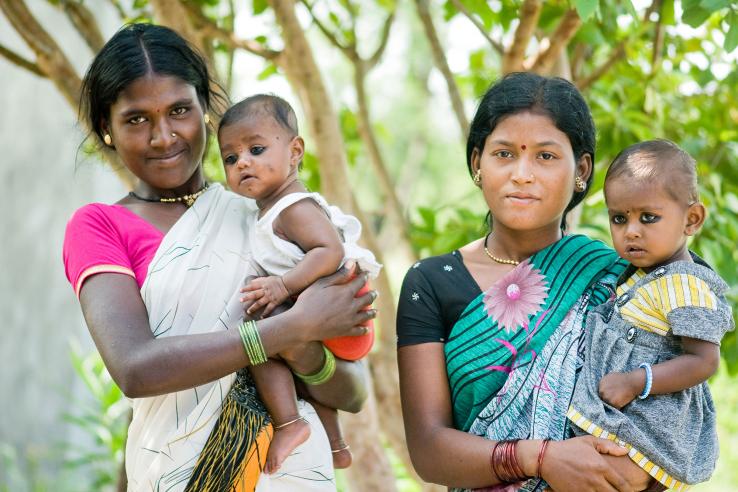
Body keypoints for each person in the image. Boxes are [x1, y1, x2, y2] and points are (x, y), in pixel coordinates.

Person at [62, 23, 374, 491]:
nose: (163, 137)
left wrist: (303, 346)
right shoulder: (99, 226)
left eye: (179, 110)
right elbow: (135, 369)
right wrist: (291, 328)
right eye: (136, 119)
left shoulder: (270, 217)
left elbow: (353, 391)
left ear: (205, 111)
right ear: (106, 128)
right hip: (175, 469)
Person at [397, 72, 661, 491]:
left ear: (582, 170)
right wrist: (540, 458)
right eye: (504, 154)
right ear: (476, 164)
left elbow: (668, 428)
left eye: (546, 156)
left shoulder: (617, 276)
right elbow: (429, 450)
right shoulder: (430, 283)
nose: (522, 174)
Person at [217, 94, 381, 473]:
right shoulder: (275, 208)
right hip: (336, 320)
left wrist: (283, 287)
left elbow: (329, 250)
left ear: (295, 151)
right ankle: (336, 444)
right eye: (230, 157)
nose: (242, 161)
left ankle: (289, 423)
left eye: (256, 149)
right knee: (288, 349)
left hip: (343, 317)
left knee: (258, 337)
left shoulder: (292, 208)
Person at [568, 140, 734, 490]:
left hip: (647, 432)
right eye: (619, 218)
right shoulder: (639, 274)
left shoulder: (685, 285)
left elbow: (704, 361)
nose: (631, 230)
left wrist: (635, 381)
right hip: (618, 419)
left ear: (692, 219)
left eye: (648, 217)